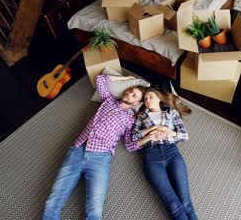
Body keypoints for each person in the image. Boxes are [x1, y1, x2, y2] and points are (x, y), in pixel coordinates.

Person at [43, 74, 152, 220]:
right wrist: (125, 79)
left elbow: (130, 145)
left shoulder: (130, 119)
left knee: (95, 211)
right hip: (79, 149)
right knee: (54, 199)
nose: (129, 93)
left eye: (134, 95)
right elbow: (101, 79)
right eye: (130, 90)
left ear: (136, 103)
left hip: (100, 159)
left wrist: (148, 137)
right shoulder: (108, 100)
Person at [132, 88, 198, 220]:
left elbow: (184, 136)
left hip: (172, 152)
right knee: (173, 205)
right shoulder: (141, 116)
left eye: (150, 96)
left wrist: (169, 131)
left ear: (159, 98)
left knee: (186, 204)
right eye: (145, 99)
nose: (147, 100)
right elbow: (133, 137)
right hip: (151, 156)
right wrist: (151, 132)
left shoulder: (171, 113)